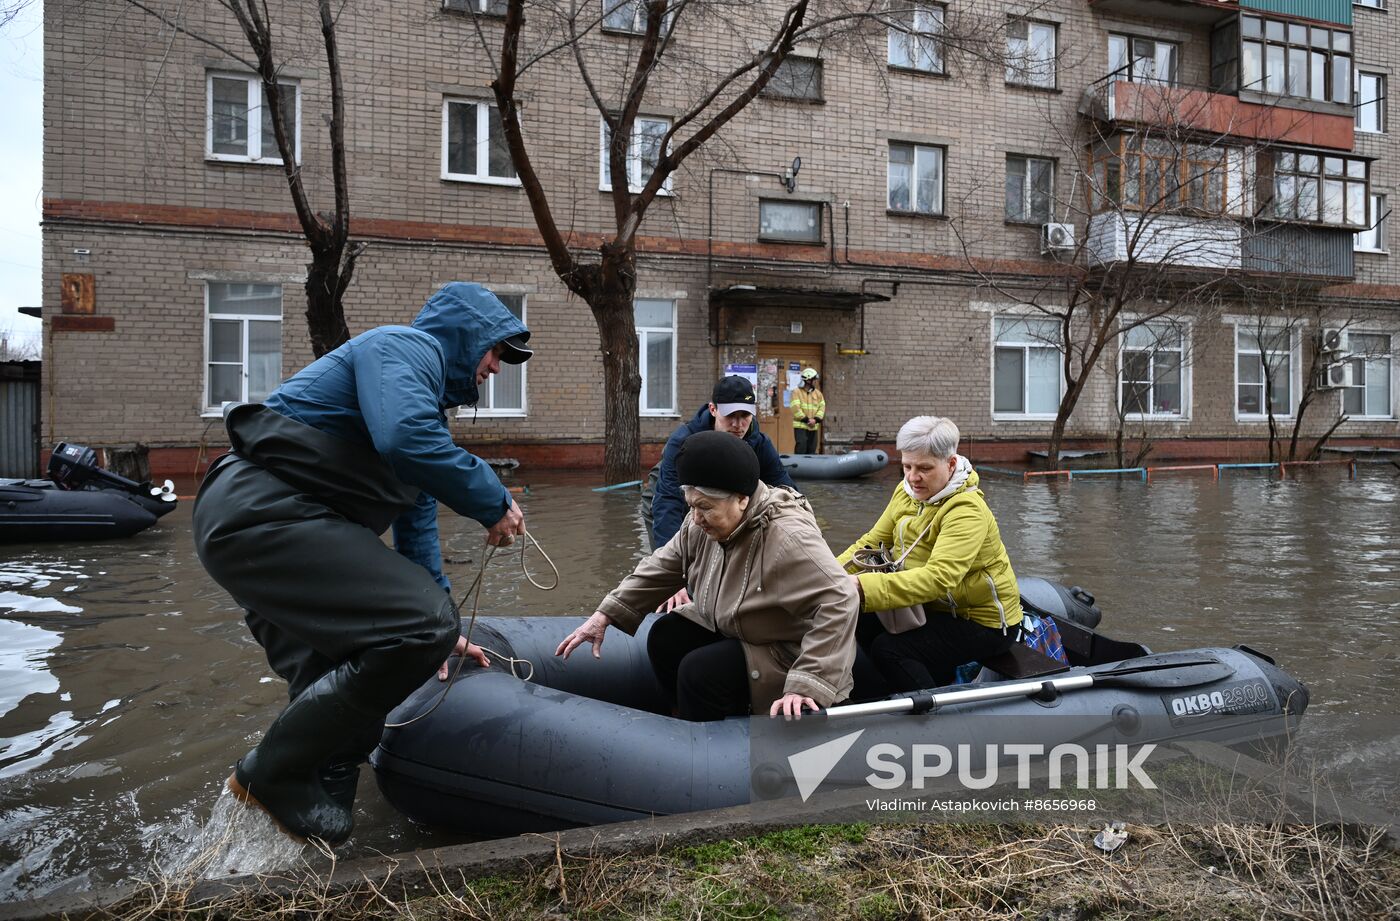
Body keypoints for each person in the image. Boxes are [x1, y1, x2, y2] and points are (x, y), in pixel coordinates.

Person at [192, 281, 531, 844]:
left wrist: (443, 630)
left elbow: (418, 539)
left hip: (263, 532)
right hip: (263, 511)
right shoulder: (404, 348)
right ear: (466, 336)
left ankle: (303, 853)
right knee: (420, 626)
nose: (497, 368)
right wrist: (490, 498)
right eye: (496, 351)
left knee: (339, 677)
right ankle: (269, 774)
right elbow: (403, 438)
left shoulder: (422, 414)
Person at [557, 430, 859, 721]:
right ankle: (683, 722)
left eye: (705, 508)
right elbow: (663, 566)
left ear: (742, 499)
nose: (696, 518)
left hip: (784, 648)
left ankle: (709, 752)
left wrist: (807, 682)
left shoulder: (788, 538)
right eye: (691, 506)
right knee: (665, 636)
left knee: (699, 671)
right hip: (736, 625)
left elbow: (841, 597)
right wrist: (605, 614)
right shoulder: (699, 522)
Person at [836, 416, 1023, 693]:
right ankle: (879, 695)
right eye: (907, 466)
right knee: (859, 619)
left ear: (950, 464)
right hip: (933, 608)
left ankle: (931, 710)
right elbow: (872, 542)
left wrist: (861, 585)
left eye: (924, 468)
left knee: (890, 650)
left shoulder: (966, 510)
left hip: (983, 621)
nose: (913, 477)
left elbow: (939, 578)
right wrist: (830, 575)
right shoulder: (906, 491)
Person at [648, 375, 796, 551]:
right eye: (730, 415)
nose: (738, 425)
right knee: (677, 557)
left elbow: (786, 490)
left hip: (720, 495)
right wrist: (674, 560)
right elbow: (668, 501)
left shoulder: (760, 443)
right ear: (713, 409)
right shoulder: (682, 441)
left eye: (745, 416)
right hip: (670, 495)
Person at [790, 367, 825, 455]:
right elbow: (796, 408)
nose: (815, 381)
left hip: (813, 426)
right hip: (801, 426)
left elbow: (822, 408)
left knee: (812, 449)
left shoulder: (818, 394)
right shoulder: (796, 392)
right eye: (814, 379)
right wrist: (807, 420)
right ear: (808, 380)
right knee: (801, 448)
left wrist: (816, 420)